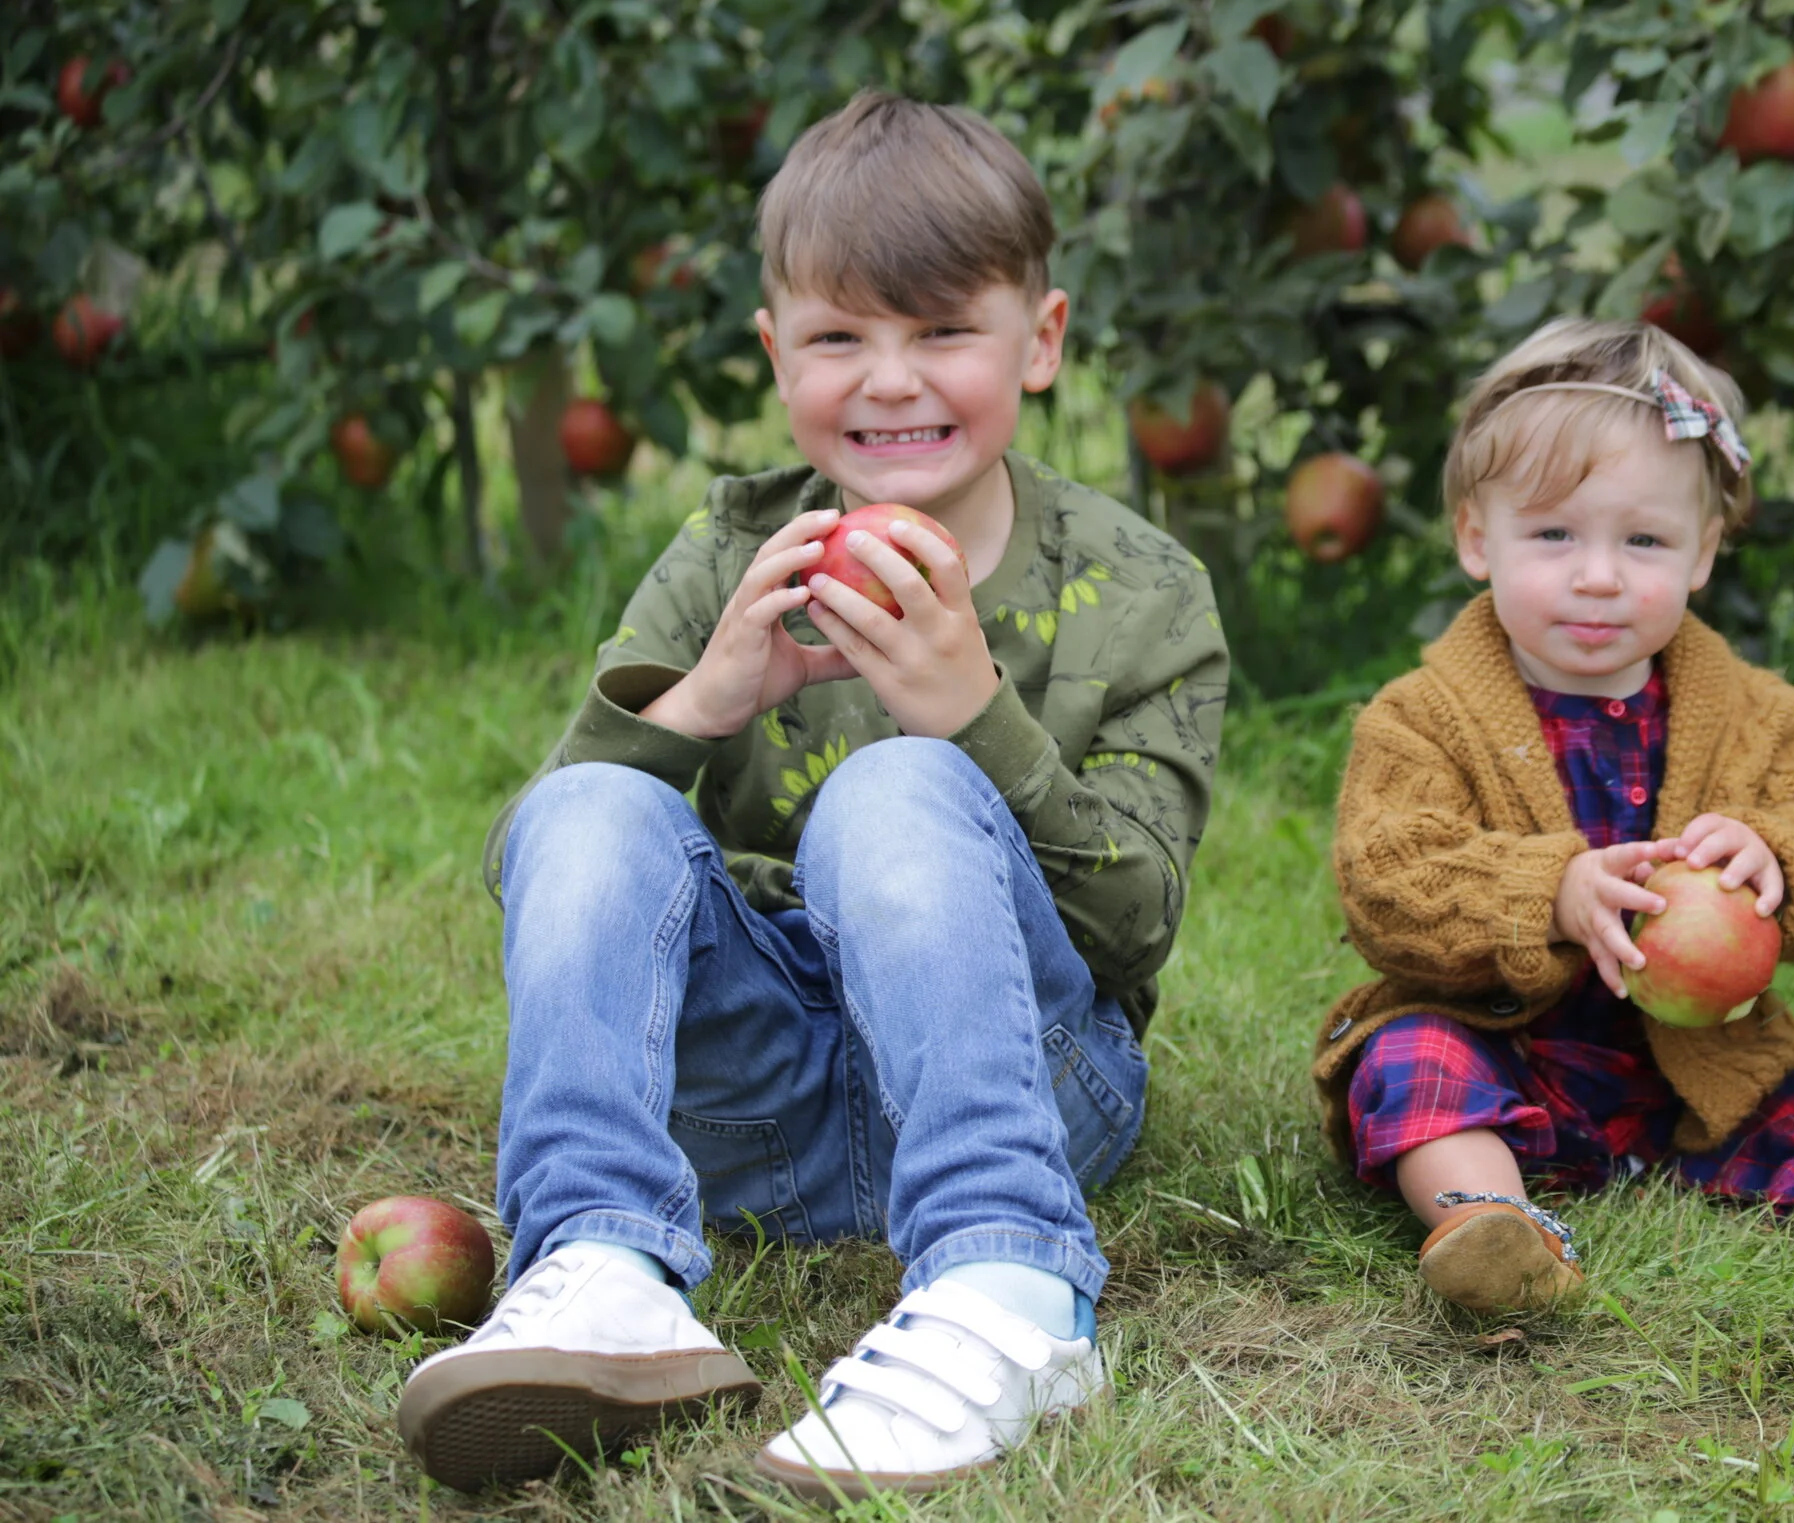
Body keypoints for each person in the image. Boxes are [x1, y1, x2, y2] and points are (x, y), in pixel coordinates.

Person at [395, 91, 1228, 1497]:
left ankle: (1004, 1279)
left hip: (1031, 1076)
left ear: (1043, 340)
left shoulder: (1144, 592)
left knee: (901, 781)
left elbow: (1135, 930)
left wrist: (976, 716)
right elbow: (539, 862)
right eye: (841, 337)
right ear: (778, 352)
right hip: (752, 1110)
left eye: (944, 331)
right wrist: (708, 699)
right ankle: (603, 1259)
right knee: (589, 805)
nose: (891, 381)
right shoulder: (734, 553)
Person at [1312, 318, 1794, 1315]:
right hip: (1504, 1037)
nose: (1598, 574)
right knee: (1407, 1062)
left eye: (1644, 540)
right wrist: (1549, 890)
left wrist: (1780, 858)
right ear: (1472, 536)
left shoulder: (1763, 717)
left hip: (1695, 1059)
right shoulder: (1421, 719)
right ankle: (1492, 1222)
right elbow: (1386, 877)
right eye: (1553, 533)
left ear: (1703, 552)